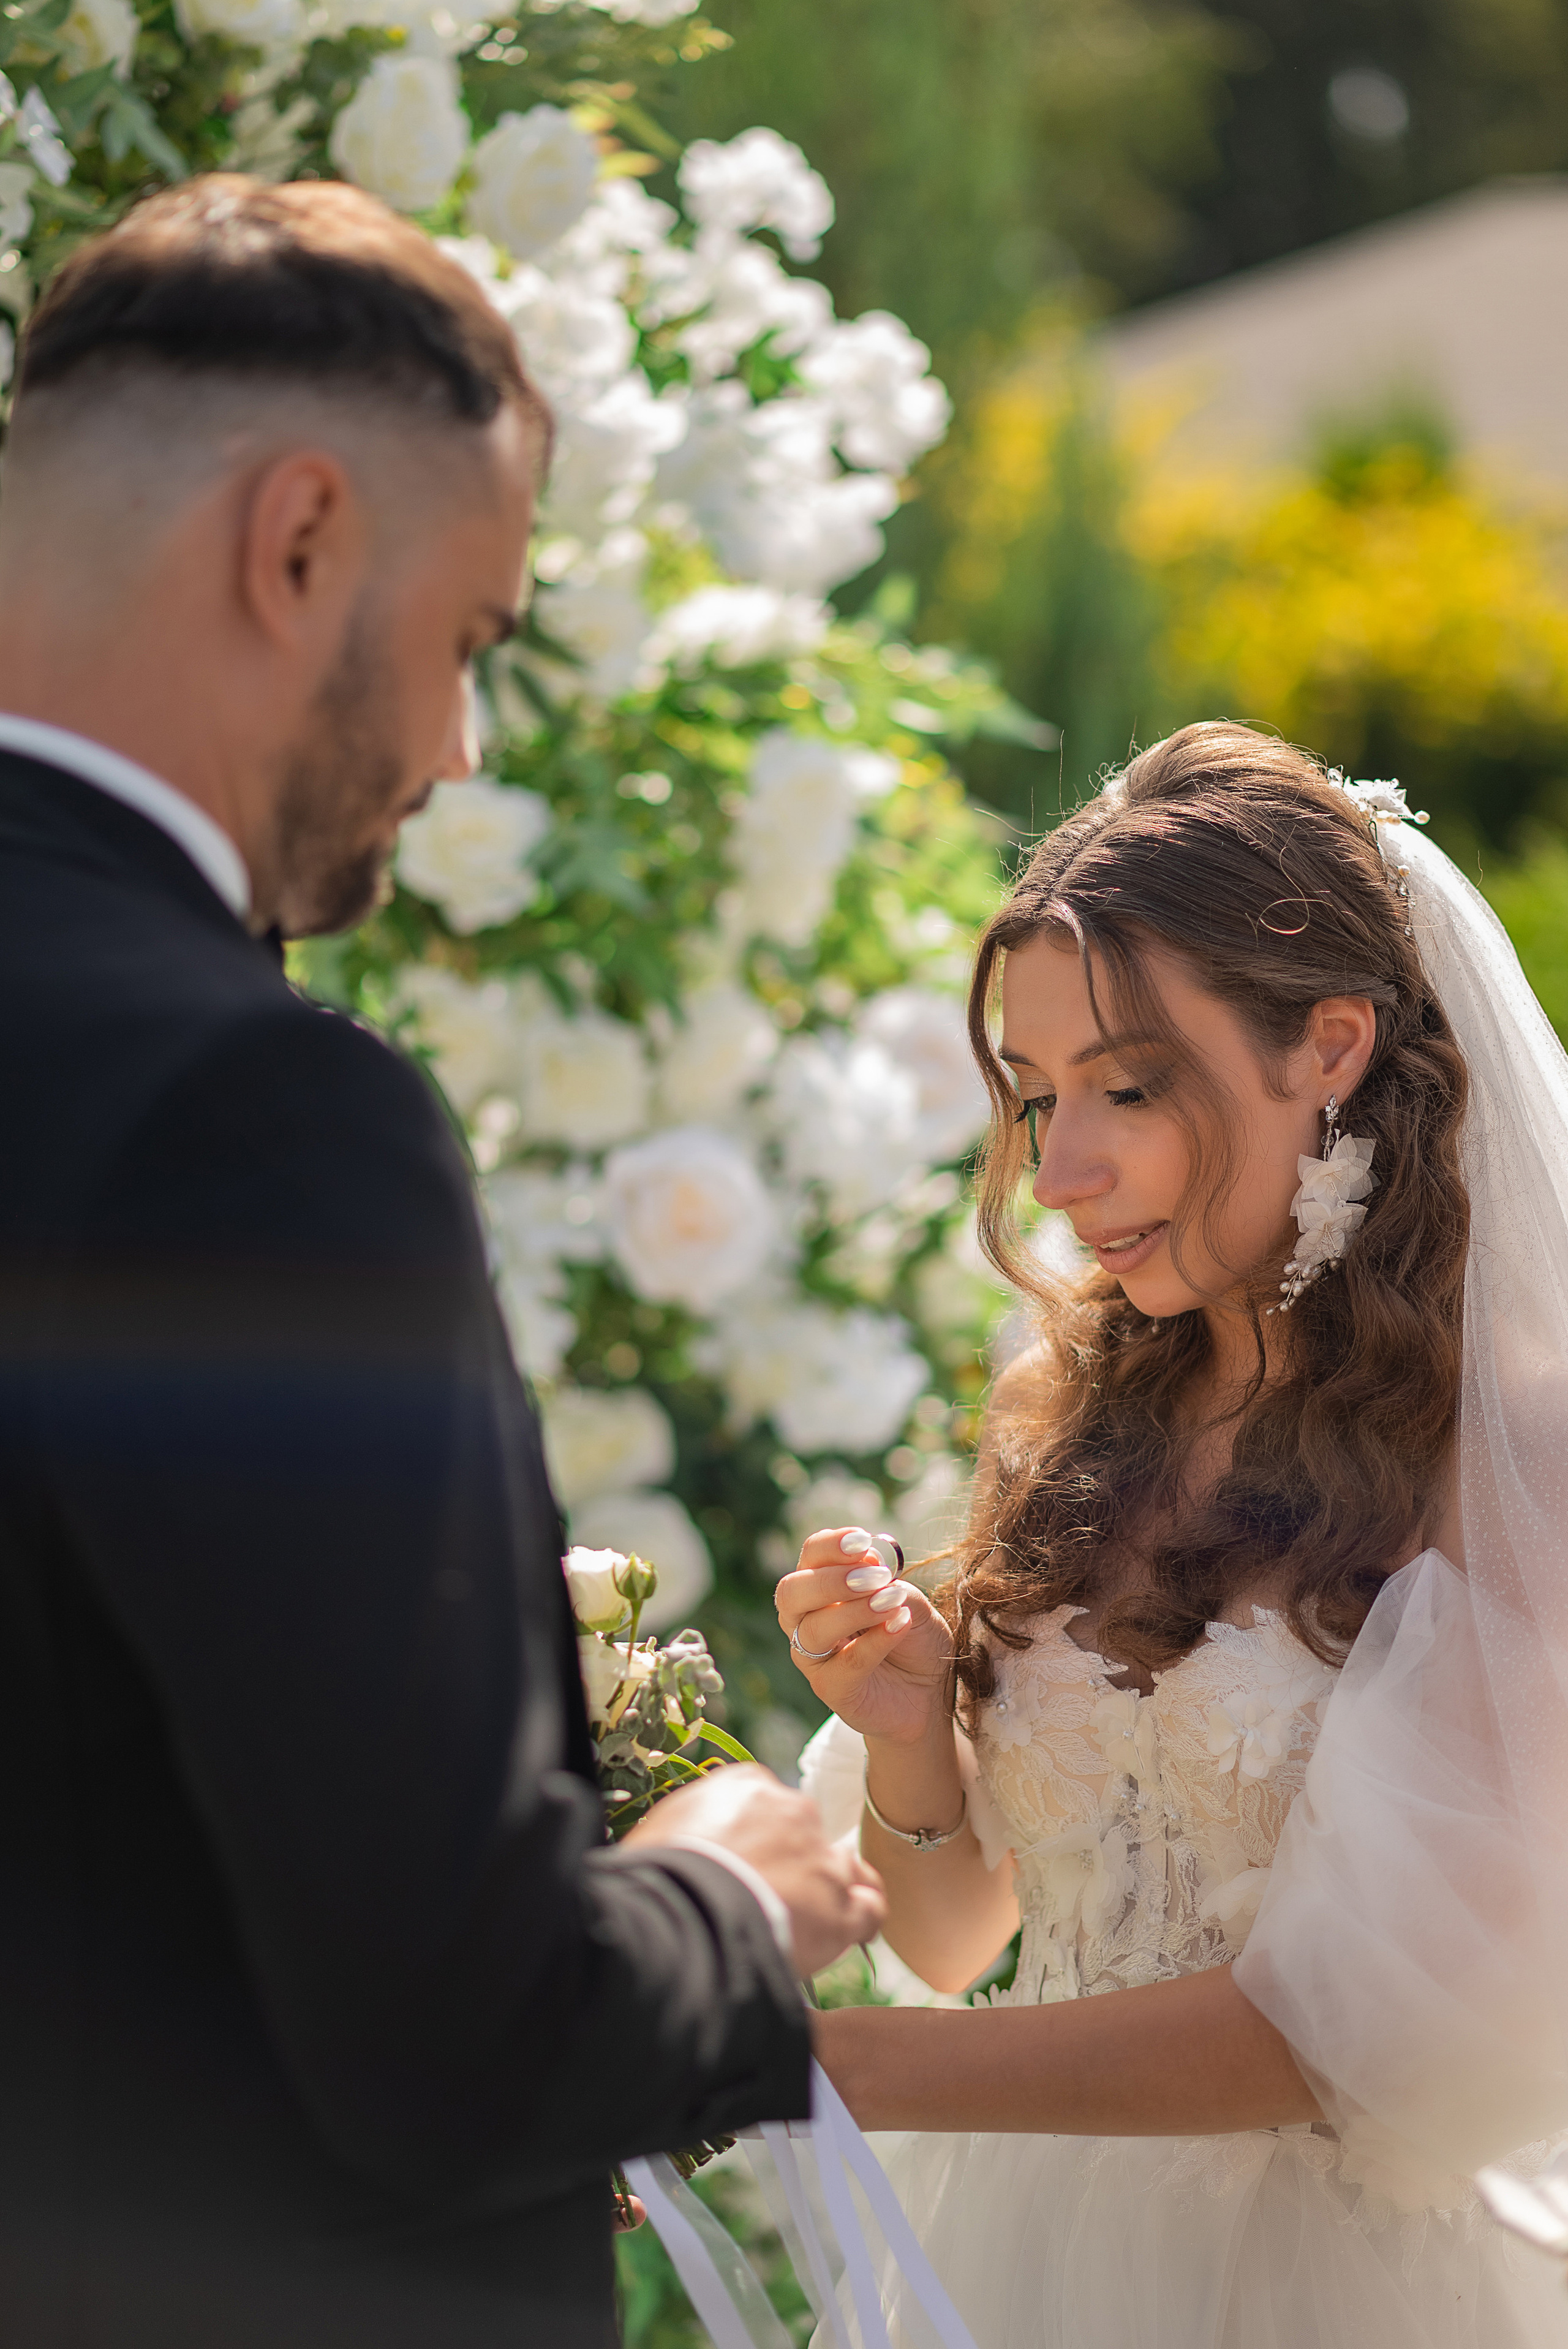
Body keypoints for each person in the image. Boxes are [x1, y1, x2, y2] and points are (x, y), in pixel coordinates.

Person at [0, 175, 883, 2348]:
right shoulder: (251, 1115)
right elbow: (453, 2037)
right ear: (298, 542)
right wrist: (731, 1898)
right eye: (473, 642)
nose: (460, 750)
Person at [778, 722, 1568, 2346]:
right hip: (1013, 2272)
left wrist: (844, 2065)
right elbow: (951, 1932)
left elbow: (1381, 2037)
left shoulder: (1512, 1452)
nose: (1058, 1171)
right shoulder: (1056, 1413)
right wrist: (916, 1736)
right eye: (1036, 1092)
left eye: (1127, 1088)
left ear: (1330, 1044)